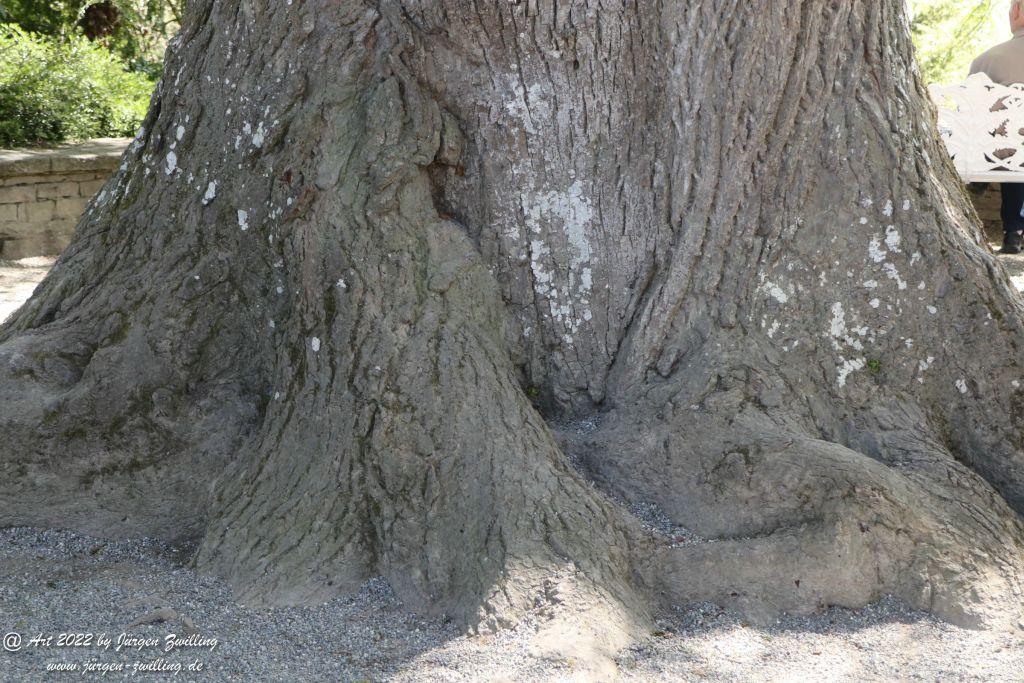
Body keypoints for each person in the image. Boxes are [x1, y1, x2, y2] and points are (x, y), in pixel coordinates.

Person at [970, 0, 1024, 254]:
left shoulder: (987, 59)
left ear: (1016, 12)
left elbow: (970, 114)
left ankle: (1013, 232)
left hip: (1006, 155)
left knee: (1010, 147)